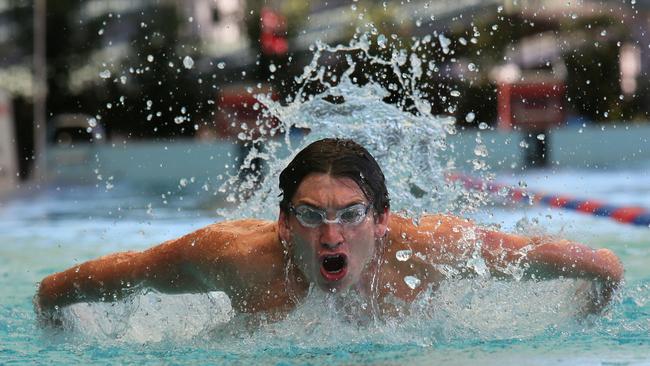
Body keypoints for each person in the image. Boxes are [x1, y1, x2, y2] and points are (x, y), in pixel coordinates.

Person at [35, 138, 623, 322]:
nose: (331, 235)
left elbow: (604, 268)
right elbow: (59, 290)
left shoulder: (436, 249)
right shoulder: (233, 256)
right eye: (312, 216)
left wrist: (575, 324)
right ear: (284, 222)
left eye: (350, 214)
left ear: (383, 221)